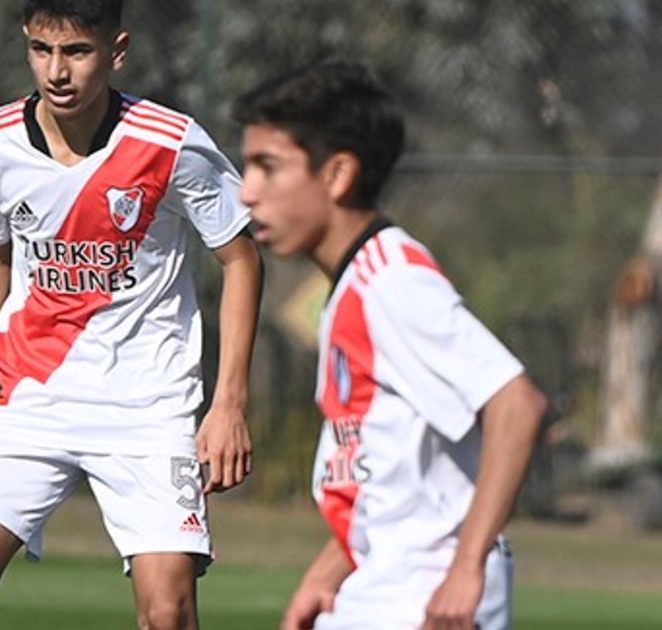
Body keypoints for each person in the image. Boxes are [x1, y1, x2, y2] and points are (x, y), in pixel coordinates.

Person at [0, 2, 263, 628]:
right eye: (41, 50)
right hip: (33, 400)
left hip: (149, 406)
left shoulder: (171, 142)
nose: (56, 71)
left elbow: (241, 259)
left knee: (167, 612)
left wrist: (228, 405)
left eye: (77, 52)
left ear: (117, 51)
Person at [233, 60, 547, 630]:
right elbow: (394, 475)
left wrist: (466, 569)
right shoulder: (357, 283)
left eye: (267, 168)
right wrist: (327, 571)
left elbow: (517, 404)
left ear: (338, 174)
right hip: (385, 580)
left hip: (424, 593)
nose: (247, 191)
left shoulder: (392, 281)